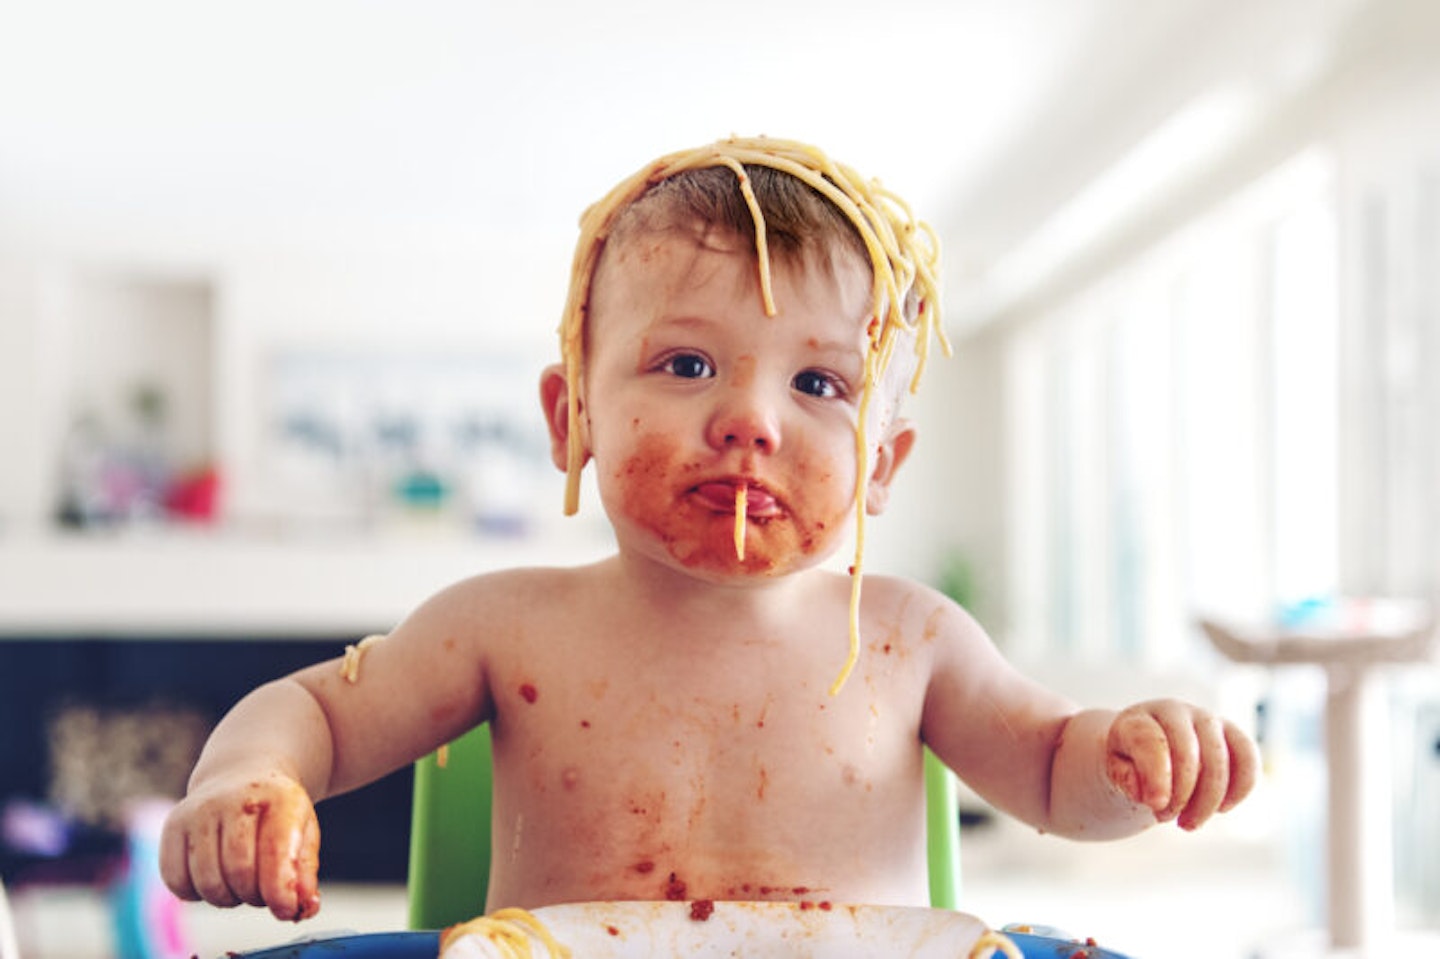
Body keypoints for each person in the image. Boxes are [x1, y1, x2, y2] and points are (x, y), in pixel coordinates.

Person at [158, 137, 1259, 924]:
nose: (749, 419)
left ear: (879, 466)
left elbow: (1057, 773)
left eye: (822, 381)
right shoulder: (504, 627)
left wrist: (1128, 759)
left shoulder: (913, 640)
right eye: (687, 364)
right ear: (572, 417)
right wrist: (243, 780)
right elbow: (313, 710)